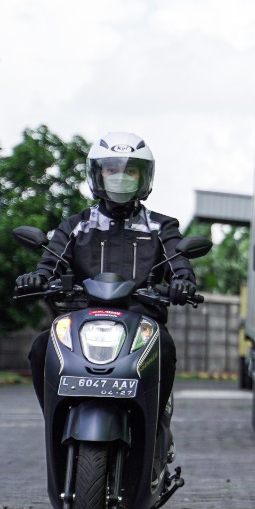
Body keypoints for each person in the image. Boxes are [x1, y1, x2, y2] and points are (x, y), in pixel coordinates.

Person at [16, 132, 198, 410]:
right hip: (80, 321)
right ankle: (55, 417)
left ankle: (156, 420)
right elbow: (49, 265)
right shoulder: (76, 225)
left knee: (165, 348)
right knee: (42, 347)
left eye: (131, 170)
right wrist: (37, 278)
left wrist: (183, 283)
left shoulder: (162, 227)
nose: (120, 176)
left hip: (142, 322)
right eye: (112, 169)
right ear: (98, 174)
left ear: (144, 177)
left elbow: (179, 262)